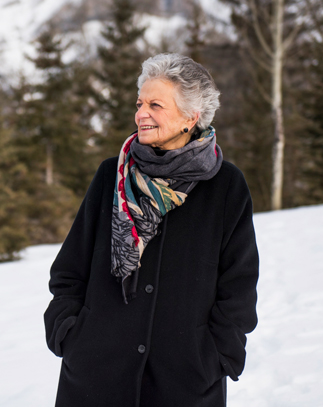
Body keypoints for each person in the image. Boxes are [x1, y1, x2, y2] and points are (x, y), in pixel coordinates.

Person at [44, 53, 259, 407]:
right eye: (140, 103)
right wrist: (69, 332)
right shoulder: (110, 176)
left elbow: (238, 287)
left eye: (155, 105)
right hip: (95, 380)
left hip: (185, 384)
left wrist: (216, 356)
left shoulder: (226, 186)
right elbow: (69, 270)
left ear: (191, 117)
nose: (141, 113)